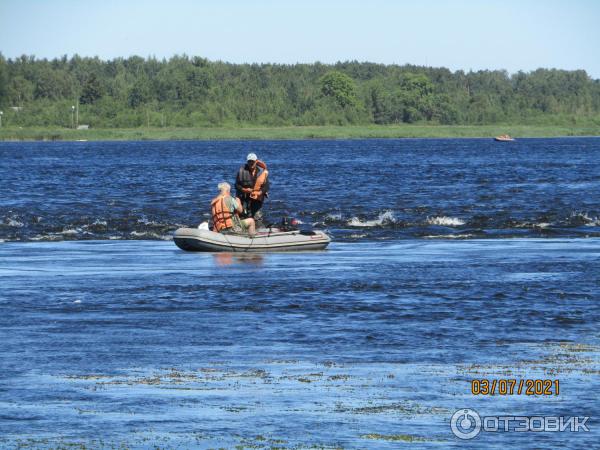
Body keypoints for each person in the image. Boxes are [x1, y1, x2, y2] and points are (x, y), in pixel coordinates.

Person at [235, 153, 269, 223]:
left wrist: (261, 192)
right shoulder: (241, 171)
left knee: (257, 217)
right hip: (244, 198)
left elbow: (267, 186)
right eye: (249, 161)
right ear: (247, 162)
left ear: (256, 161)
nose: (251, 163)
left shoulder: (262, 171)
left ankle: (258, 229)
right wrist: (243, 189)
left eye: (252, 161)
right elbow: (236, 185)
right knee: (244, 216)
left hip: (257, 198)